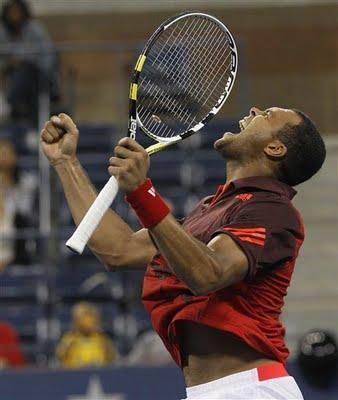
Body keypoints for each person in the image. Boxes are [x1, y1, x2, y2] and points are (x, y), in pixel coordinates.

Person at [41, 107, 326, 399]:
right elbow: (118, 249)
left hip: (251, 388)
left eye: (267, 115)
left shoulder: (273, 210)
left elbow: (208, 273)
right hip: (204, 391)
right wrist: (66, 162)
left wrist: (142, 192)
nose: (254, 110)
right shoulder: (208, 210)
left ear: (275, 148)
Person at [0, 0, 58, 125]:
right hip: (13, 78)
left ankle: (11, 105)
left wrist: (24, 61)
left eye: (17, 12)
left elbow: (49, 56)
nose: (14, 16)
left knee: (27, 71)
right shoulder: (2, 33)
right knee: (21, 76)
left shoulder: (35, 30)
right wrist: (10, 64)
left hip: (39, 75)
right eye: (11, 13)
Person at [0, 139, 35, 270]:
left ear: (14, 157)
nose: (3, 158)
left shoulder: (26, 182)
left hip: (16, 230)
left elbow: (24, 211)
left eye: (6, 153)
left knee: (17, 223)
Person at [56, 302, 118, 369]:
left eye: (91, 318)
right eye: (83, 318)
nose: (88, 322)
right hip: (73, 375)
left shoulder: (101, 338)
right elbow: (60, 356)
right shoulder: (70, 338)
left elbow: (112, 357)